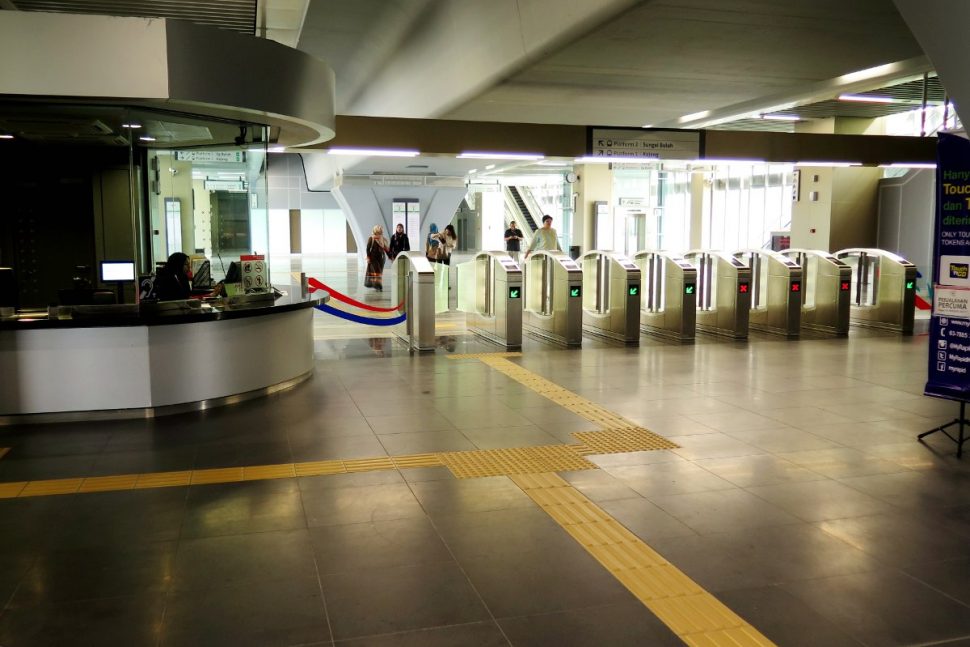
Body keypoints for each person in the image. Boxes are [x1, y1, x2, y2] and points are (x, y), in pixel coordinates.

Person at [364, 225, 389, 291]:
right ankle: (378, 285)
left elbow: (386, 248)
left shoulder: (383, 238)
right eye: (379, 228)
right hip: (373, 258)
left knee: (379, 272)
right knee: (377, 271)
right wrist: (368, 257)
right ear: (375, 229)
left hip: (381, 258)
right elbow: (368, 249)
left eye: (381, 228)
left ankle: (376, 285)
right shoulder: (371, 238)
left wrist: (390, 256)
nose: (381, 229)